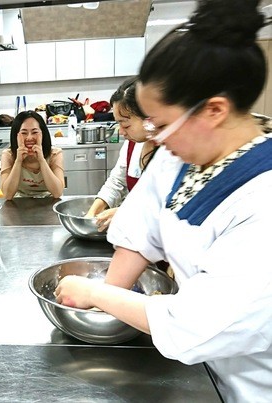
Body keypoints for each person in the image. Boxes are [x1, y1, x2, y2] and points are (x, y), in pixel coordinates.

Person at [55, 1, 272, 401]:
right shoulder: (180, 155)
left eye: (160, 122)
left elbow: (198, 325)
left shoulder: (263, 200)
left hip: (253, 384)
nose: (152, 135)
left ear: (214, 110)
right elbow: (139, 230)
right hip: (199, 368)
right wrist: (93, 313)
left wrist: (95, 294)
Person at [85, 77, 157, 231]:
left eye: (125, 124)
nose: (121, 131)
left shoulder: (171, 150)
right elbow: (116, 183)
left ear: (149, 117)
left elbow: (166, 208)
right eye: (118, 123)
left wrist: (125, 213)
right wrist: (91, 214)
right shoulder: (132, 144)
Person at [0, 110, 64, 199]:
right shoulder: (8, 155)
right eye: (24, 133)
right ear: (16, 135)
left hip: (49, 201)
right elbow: (7, 195)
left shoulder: (55, 153)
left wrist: (41, 160)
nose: (29, 137)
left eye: (34, 132)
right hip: (20, 202)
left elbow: (57, 193)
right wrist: (18, 161)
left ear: (43, 133)